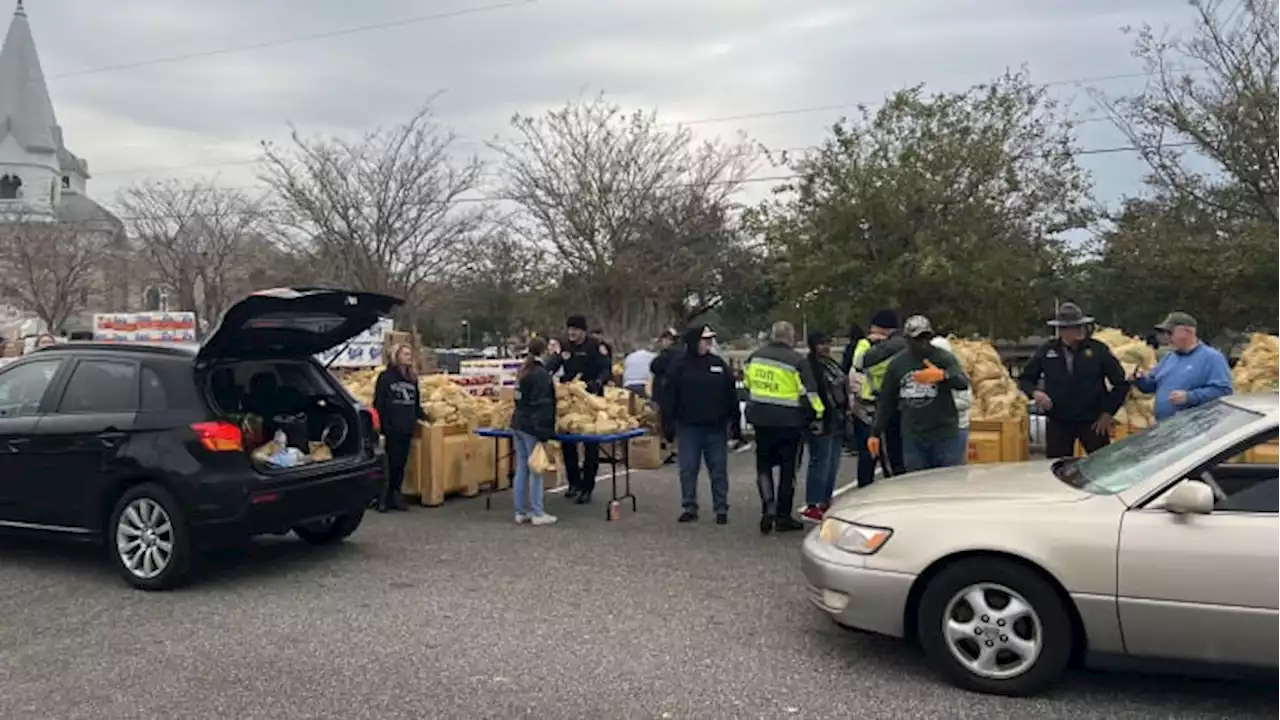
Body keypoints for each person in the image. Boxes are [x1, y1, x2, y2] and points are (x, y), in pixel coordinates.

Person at [743, 321, 824, 534]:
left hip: (761, 419)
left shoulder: (755, 357)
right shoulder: (797, 360)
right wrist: (819, 414)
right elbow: (810, 392)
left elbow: (748, 384)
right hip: (790, 422)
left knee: (763, 466)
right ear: (790, 337)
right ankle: (783, 516)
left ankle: (768, 505)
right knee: (788, 471)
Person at [1017, 303, 1128, 458]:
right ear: (1062, 330)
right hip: (1059, 421)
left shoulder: (1098, 350)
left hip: (1093, 422)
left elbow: (1121, 383)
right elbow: (1025, 379)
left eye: (1080, 326)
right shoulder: (1048, 350)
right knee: (1057, 467)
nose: (1079, 330)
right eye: (1074, 327)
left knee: (1102, 466)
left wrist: (1108, 413)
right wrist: (1035, 393)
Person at [868, 316, 970, 472]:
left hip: (945, 435)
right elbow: (886, 401)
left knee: (949, 484)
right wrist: (875, 433)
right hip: (913, 437)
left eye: (926, 338)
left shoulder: (943, 357)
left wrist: (943, 375)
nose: (923, 342)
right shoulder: (898, 364)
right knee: (917, 485)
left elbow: (963, 383)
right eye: (917, 339)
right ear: (907, 340)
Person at [661, 325, 739, 525]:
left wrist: (735, 423)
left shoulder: (718, 364)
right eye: (705, 340)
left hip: (716, 427)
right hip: (688, 427)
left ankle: (721, 507)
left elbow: (731, 395)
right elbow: (668, 396)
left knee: (718, 469)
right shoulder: (678, 365)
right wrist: (667, 424)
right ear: (694, 342)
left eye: (710, 340)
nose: (709, 344)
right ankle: (689, 506)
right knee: (688, 469)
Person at [544, 314, 612, 502]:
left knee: (590, 444)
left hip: (590, 398)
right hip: (570, 398)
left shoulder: (594, 346)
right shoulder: (564, 345)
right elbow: (552, 364)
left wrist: (598, 382)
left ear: (583, 331)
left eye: (575, 329)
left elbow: (606, 368)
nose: (571, 333)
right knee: (567, 442)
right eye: (569, 329)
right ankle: (573, 483)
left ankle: (587, 487)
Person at [1131, 312, 1232, 421]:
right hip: (1164, 428)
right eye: (1165, 333)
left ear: (1188, 332)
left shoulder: (1212, 358)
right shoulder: (1169, 357)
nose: (1167, 337)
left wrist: (1190, 397)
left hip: (1194, 429)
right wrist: (1138, 379)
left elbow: (1223, 391)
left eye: (1170, 332)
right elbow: (1151, 386)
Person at [800, 332, 848, 523]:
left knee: (833, 463)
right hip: (821, 421)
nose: (826, 347)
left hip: (837, 419)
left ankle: (826, 501)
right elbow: (810, 393)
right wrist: (815, 418)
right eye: (821, 343)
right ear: (813, 346)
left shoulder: (831, 364)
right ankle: (813, 504)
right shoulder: (809, 366)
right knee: (820, 462)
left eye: (827, 342)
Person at [853, 310, 907, 478]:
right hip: (883, 404)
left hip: (880, 404)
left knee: (885, 454)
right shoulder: (902, 345)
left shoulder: (886, 347)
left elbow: (859, 363)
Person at [511, 337, 558, 526]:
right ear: (544, 351)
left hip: (518, 423)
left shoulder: (523, 372)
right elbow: (544, 404)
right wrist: (545, 431)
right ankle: (537, 512)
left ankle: (520, 511)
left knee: (522, 468)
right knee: (536, 468)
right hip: (533, 425)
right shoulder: (541, 375)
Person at [373, 344, 426, 512]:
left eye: (410, 354)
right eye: (405, 354)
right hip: (391, 427)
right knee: (390, 463)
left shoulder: (412, 379)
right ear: (396, 356)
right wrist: (381, 425)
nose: (408, 357)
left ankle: (396, 494)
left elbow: (416, 404)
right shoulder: (385, 377)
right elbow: (379, 402)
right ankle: (383, 498)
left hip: (407, 426)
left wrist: (423, 417)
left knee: (401, 463)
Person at [928, 334, 976, 456]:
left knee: (952, 470)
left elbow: (966, 401)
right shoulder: (927, 374)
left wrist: (940, 405)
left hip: (957, 428)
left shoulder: (957, 373)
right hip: (933, 429)